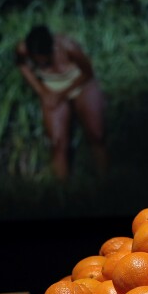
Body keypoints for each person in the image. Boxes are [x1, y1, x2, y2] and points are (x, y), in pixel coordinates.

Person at [15, 25, 108, 182]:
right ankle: (62, 192)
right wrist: (43, 92)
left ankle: (105, 181)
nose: (40, 61)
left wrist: (62, 94)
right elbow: (22, 66)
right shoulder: (23, 50)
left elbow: (88, 72)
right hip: (52, 88)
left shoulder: (68, 48)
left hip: (80, 83)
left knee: (96, 134)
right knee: (57, 143)